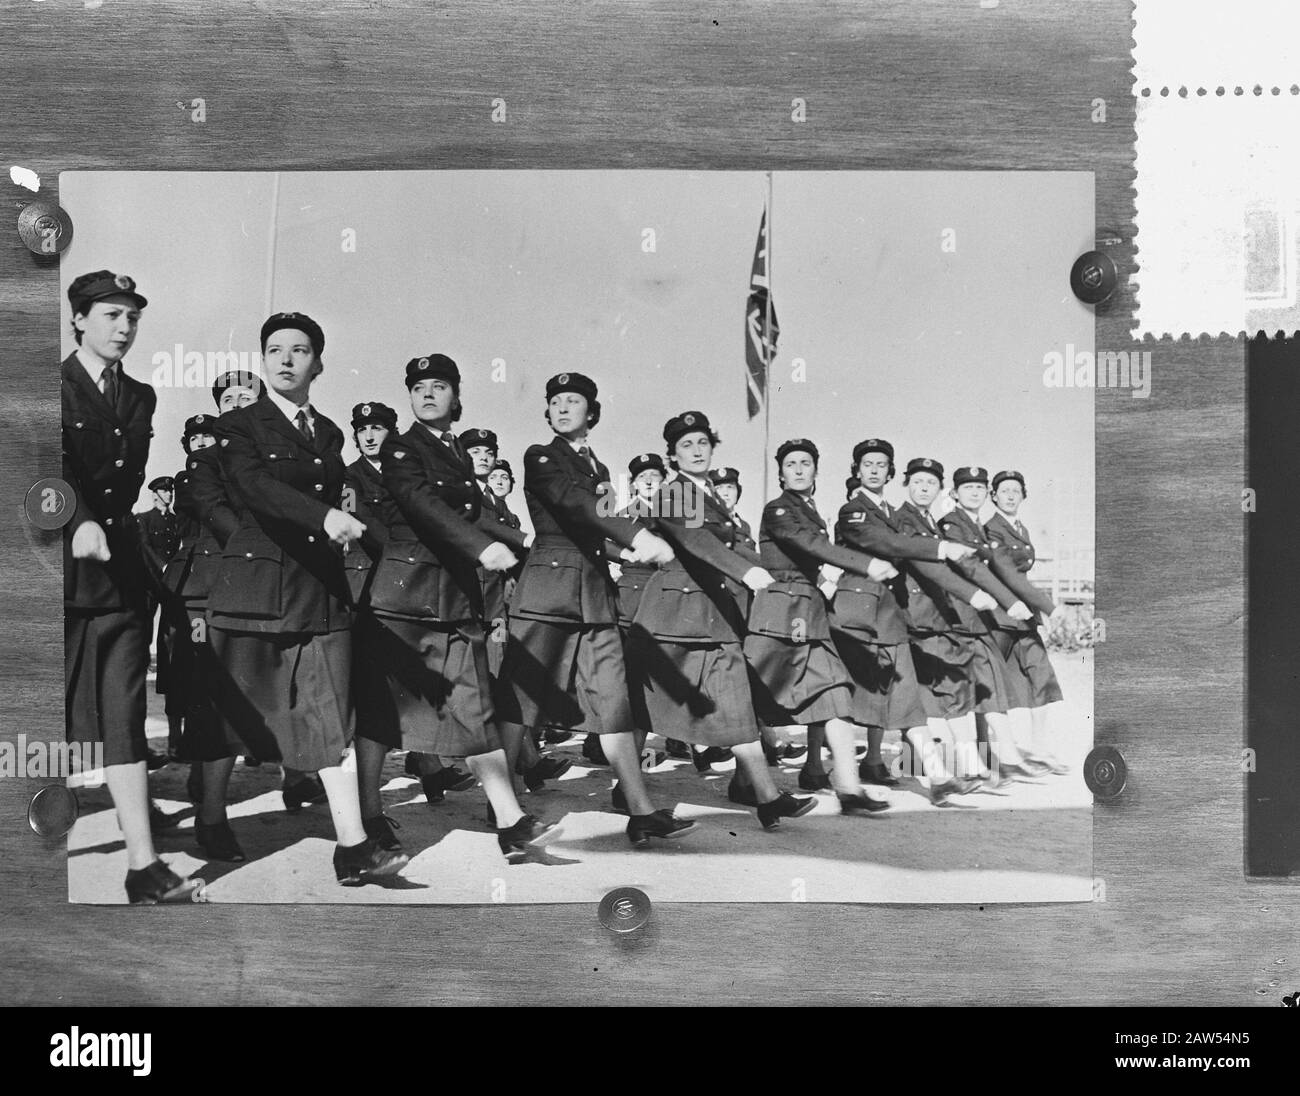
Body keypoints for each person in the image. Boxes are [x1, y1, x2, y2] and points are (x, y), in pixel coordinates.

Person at [206, 312, 408, 885]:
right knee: (233, 716)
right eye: (274, 350)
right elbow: (255, 487)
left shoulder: (328, 433)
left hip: (318, 591)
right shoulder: (239, 425)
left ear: (317, 362)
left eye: (299, 350)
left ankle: (352, 847)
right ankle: (211, 812)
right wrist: (323, 515)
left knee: (328, 717)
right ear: (263, 360)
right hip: (255, 590)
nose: (286, 359)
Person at [364, 354, 553, 861]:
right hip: (406, 599)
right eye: (418, 387)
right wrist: (483, 548)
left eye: (438, 386)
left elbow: (475, 512)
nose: (427, 394)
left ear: (457, 397)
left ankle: (511, 820)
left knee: (476, 709)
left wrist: (522, 544)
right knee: (383, 715)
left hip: (451, 600)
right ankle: (366, 817)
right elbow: (425, 505)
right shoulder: (403, 449)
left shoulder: (454, 454)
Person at [501, 371, 697, 846]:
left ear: (592, 413)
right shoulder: (541, 456)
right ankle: (501, 797)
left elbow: (596, 527)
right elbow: (574, 505)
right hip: (548, 591)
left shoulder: (600, 469)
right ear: (547, 412)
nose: (564, 408)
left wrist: (624, 551)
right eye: (556, 401)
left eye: (575, 401)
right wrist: (635, 536)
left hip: (592, 595)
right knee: (522, 698)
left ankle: (640, 809)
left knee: (614, 702)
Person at [62, 269, 200, 904]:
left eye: (132, 317)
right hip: (55, 574)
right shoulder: (45, 386)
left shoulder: (141, 395)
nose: (124, 327)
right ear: (80, 320)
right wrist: (79, 520)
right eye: (111, 315)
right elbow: (42, 469)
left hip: (119, 576)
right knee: (32, 725)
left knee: (123, 715)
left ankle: (144, 866)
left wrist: (105, 530)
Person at [631, 412, 813, 829]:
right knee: (644, 707)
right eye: (686, 446)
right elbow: (698, 542)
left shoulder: (711, 494)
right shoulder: (673, 492)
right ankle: (628, 791)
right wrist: (745, 572)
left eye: (702, 443)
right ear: (672, 455)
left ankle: (766, 796)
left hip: (714, 616)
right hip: (671, 616)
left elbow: (736, 547)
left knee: (736, 703)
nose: (696, 451)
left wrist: (784, 579)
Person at [186, 369, 330, 814]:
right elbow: (210, 506)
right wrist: (254, 546)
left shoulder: (278, 451)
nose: (235, 401)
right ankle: (211, 813)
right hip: (237, 580)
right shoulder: (207, 458)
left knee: (295, 688)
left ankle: (298, 777)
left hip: (293, 580)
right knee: (231, 696)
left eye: (244, 394)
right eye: (226, 396)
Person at [830, 440, 983, 805]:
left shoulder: (895, 515)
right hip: (858, 617)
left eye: (881, 464)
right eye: (867, 464)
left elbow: (904, 541)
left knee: (907, 702)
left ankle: (938, 778)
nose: (874, 470)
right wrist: (941, 548)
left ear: (890, 471)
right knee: (848, 702)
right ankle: (838, 779)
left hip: (890, 616)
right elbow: (888, 544)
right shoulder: (853, 510)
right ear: (857, 470)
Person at [743, 439, 892, 814]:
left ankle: (848, 787)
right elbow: (807, 545)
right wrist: (864, 563)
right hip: (778, 618)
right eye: (790, 463)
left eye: (805, 463)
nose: (797, 469)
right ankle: (744, 781)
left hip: (809, 615)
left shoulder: (810, 511)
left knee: (836, 694)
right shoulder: (778, 509)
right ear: (780, 472)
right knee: (756, 701)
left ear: (815, 470)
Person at [460, 427, 569, 792]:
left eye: (488, 452)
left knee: (502, 682)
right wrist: (525, 540)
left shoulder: (498, 502)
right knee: (490, 685)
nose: (483, 457)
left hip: (496, 604)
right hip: (470, 600)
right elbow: (478, 524)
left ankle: (525, 763)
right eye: (474, 451)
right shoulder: (466, 493)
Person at [936, 466, 1055, 781]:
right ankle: (983, 755)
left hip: (1006, 610)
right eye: (969, 488)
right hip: (989, 613)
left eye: (979, 488)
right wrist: (1035, 606)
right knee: (978, 685)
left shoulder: (987, 526)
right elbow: (993, 571)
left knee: (1003, 682)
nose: (975, 493)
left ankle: (1008, 755)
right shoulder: (971, 525)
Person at [711, 464, 805, 768]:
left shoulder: (741, 523)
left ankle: (767, 742)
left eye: (730, 489)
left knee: (746, 677)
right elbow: (742, 557)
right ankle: (755, 744)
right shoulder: (716, 524)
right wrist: (776, 566)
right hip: (721, 604)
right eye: (719, 489)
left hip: (743, 605)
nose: (725, 493)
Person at [984, 470, 1070, 774]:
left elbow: (1021, 576)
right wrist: (1050, 606)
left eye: (1015, 491)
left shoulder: (1019, 528)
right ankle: (987, 754)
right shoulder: (991, 529)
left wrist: (1038, 610)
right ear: (993, 495)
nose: (1010, 496)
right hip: (1000, 616)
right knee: (989, 683)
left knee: (1041, 676)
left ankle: (1038, 749)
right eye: (1003, 490)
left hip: (1024, 619)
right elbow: (1007, 573)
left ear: (1023, 496)